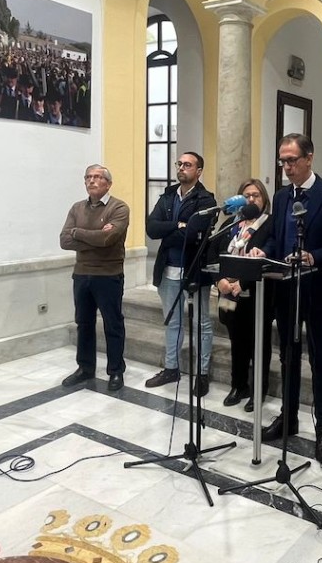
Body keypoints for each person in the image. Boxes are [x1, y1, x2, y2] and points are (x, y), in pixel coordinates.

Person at [254, 133, 322, 464]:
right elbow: (276, 240)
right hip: (286, 289)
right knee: (287, 356)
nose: (286, 167)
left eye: (292, 160)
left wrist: (314, 257)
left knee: (319, 360)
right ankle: (289, 417)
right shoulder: (283, 197)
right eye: (282, 161)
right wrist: (262, 251)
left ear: (309, 158)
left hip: (318, 291)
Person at [145, 151, 216, 394]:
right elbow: (151, 228)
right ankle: (172, 368)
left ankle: (202, 373)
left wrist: (177, 231)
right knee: (172, 322)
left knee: (201, 323)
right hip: (167, 269)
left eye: (188, 164)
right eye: (180, 163)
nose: (182, 167)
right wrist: (177, 225)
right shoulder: (167, 196)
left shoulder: (206, 200)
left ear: (198, 171)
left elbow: (196, 233)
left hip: (194, 269)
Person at [59, 165, 129, 391]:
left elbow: (108, 240)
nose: (92, 181)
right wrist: (96, 236)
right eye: (88, 177)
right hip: (81, 274)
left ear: (108, 183)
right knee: (84, 323)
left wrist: (77, 233)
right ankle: (85, 368)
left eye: (97, 177)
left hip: (108, 275)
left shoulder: (118, 208)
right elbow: (64, 241)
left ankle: (116, 371)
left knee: (113, 324)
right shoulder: (77, 208)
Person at [211, 179, 274, 413]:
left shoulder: (269, 224)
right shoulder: (230, 224)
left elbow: (268, 256)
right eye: (246, 195)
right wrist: (220, 281)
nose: (251, 200)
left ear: (264, 199)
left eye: (256, 195)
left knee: (260, 343)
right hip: (228, 292)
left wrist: (242, 282)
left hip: (257, 293)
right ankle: (238, 386)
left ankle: (258, 389)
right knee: (236, 341)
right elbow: (213, 252)